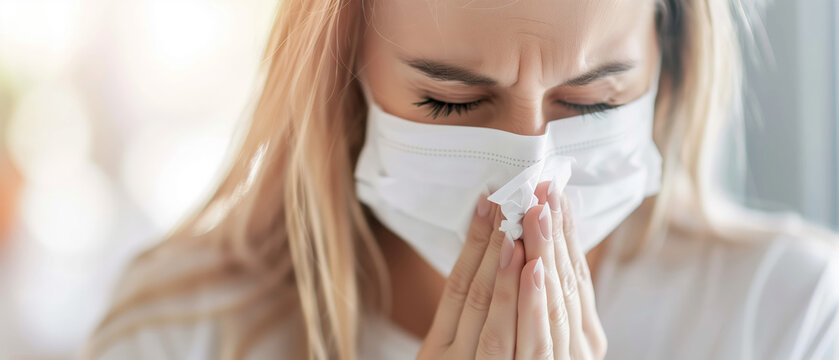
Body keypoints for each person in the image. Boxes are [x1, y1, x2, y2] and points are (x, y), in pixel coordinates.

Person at [83, 0, 839, 359]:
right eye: (451, 102)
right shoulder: (182, 334)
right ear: (344, 74)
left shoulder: (792, 317)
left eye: (591, 102)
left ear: (666, 72)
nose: (529, 175)